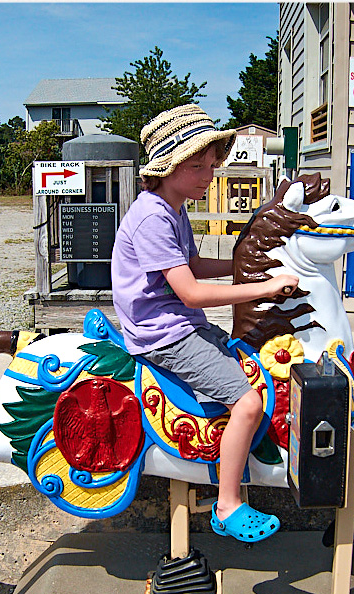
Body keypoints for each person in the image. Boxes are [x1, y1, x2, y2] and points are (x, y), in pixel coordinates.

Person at [111, 104, 299, 543]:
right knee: (249, 403)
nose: (208, 176)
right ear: (167, 167)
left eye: (212, 165)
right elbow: (191, 290)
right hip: (164, 333)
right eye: (196, 166)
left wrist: (249, 268)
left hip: (180, 320)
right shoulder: (153, 216)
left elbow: (191, 263)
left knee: (254, 361)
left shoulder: (172, 208)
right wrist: (262, 288)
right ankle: (228, 503)